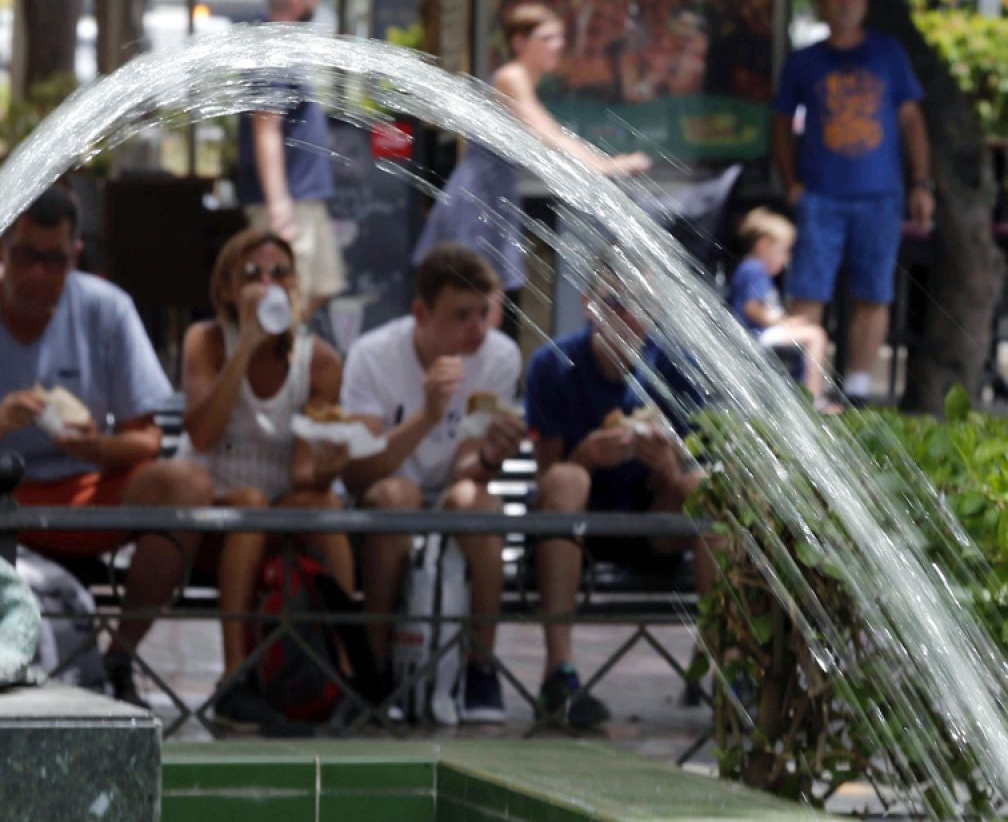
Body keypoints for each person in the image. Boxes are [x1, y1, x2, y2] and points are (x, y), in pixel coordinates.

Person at [0, 186, 213, 706]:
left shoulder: (108, 309)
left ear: (75, 256)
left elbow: (150, 437)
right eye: (26, 257)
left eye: (54, 261)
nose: (39, 275)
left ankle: (118, 656)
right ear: (0, 253)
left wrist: (97, 449)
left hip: (80, 491)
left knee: (186, 484)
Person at [176, 229, 354, 730]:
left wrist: (333, 460)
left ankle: (343, 672)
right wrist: (248, 344)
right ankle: (235, 677)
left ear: (295, 287)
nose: (268, 283)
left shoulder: (319, 361)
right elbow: (204, 434)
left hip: (276, 509)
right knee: (250, 504)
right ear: (227, 288)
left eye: (279, 273)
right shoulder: (206, 341)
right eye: (252, 274)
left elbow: (303, 474)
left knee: (325, 509)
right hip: (212, 508)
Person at [340, 244, 525, 724]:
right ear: (421, 313)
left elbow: (468, 469)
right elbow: (358, 471)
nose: (478, 330)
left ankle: (480, 666)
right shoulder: (373, 355)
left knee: (476, 503)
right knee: (396, 497)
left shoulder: (499, 357)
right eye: (462, 316)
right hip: (384, 498)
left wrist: (489, 455)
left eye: (484, 313)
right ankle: (377, 672)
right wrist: (426, 416)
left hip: (449, 499)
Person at [524, 283, 710, 732]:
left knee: (704, 487)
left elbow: (699, 491)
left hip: (655, 529)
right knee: (568, 479)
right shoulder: (554, 365)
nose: (628, 317)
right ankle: (559, 673)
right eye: (616, 304)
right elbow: (547, 479)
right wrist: (584, 458)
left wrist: (669, 470)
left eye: (641, 305)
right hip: (575, 539)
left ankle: (732, 666)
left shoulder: (675, 370)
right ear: (589, 304)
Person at [412, 4, 651, 337]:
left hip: (491, 200)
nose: (558, 45)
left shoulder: (520, 80)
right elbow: (546, 136)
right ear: (520, 42)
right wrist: (609, 166)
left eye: (561, 38)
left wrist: (603, 168)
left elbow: (552, 135)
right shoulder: (512, 77)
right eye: (548, 37)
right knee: (477, 313)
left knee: (483, 314)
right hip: (476, 204)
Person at [770, 0, 934, 407]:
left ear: (864, 3)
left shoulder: (888, 54)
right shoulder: (805, 62)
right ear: (822, 3)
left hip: (881, 197)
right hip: (819, 197)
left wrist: (922, 183)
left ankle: (858, 389)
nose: (844, 0)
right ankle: (805, 390)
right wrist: (791, 184)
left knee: (874, 292)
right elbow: (781, 124)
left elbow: (911, 120)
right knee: (808, 291)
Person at [238, 0, 345, 323]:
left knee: (322, 285)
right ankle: (280, 361)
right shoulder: (272, 50)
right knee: (284, 296)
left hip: (303, 198)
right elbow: (265, 126)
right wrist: (278, 205)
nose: (319, 2)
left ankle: (290, 350)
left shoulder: (280, 45)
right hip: (288, 202)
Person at [729, 208, 836, 409]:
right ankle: (813, 397)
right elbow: (751, 308)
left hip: (760, 333)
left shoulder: (753, 270)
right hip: (754, 335)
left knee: (809, 335)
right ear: (763, 247)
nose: (786, 260)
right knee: (815, 336)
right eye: (783, 251)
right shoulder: (754, 270)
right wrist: (782, 322)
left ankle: (802, 389)